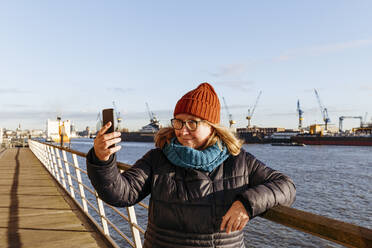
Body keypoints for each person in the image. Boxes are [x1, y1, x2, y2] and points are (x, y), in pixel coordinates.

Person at [87, 83, 296, 248]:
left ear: (212, 127)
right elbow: (121, 194)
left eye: (192, 122)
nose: (182, 130)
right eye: (178, 121)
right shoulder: (157, 159)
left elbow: (285, 186)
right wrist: (102, 159)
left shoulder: (239, 161)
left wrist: (247, 204)